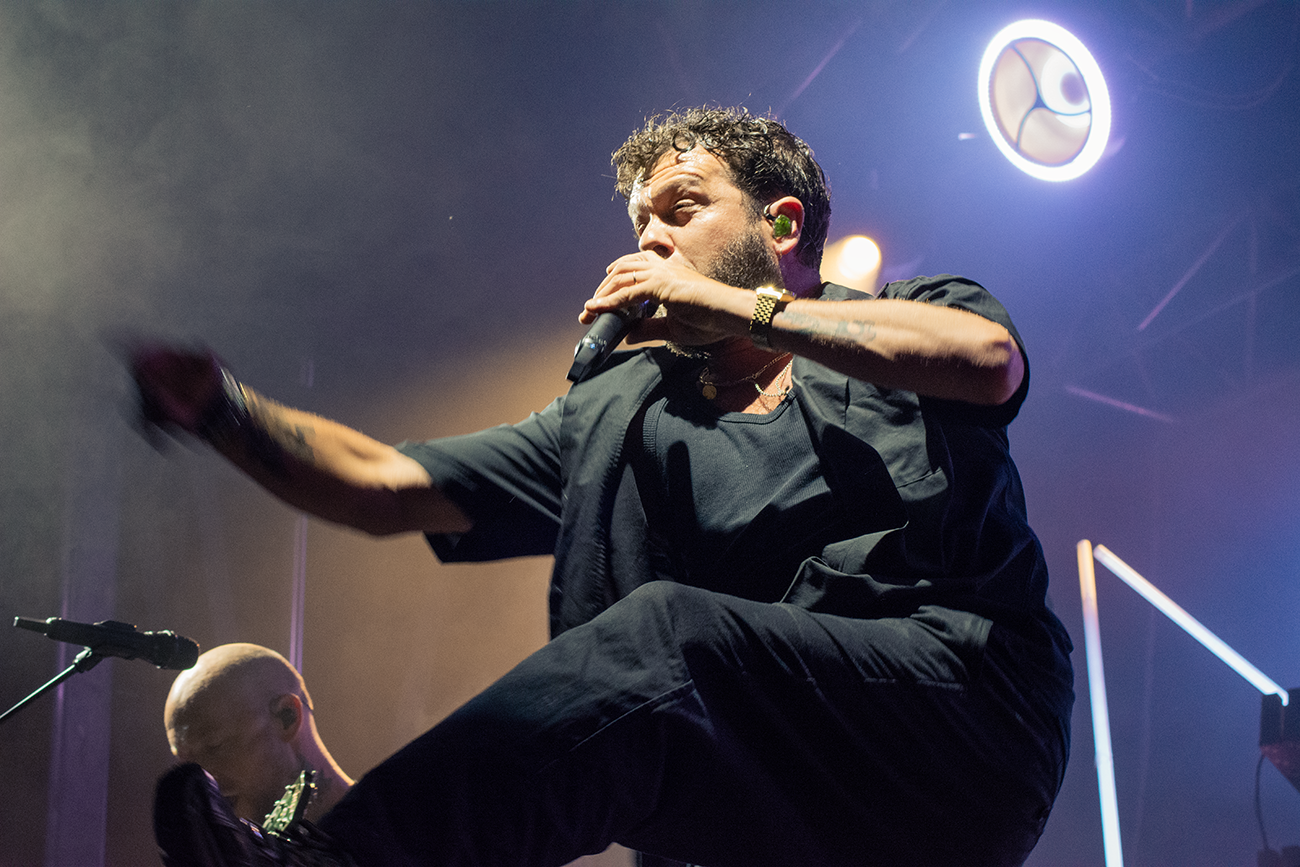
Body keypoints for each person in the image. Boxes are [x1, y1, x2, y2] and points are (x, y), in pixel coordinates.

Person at [141, 106, 1073, 867]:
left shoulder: (911, 314)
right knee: (670, 674)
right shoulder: (619, 411)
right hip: (783, 792)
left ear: (782, 224)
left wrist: (734, 305)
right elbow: (382, 485)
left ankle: (345, 861)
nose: (652, 238)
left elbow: (987, 362)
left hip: (963, 724)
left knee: (671, 635)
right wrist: (221, 409)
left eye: (682, 208)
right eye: (640, 225)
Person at [163, 643, 355, 826]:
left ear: (287, 716)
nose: (199, 780)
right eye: (186, 762)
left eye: (214, 746)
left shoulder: (371, 832)